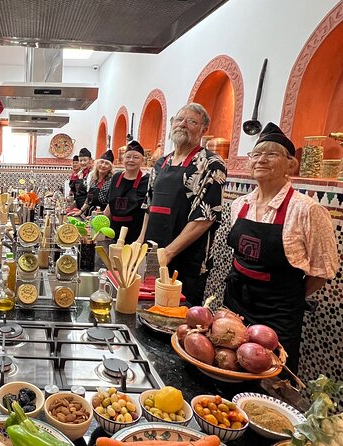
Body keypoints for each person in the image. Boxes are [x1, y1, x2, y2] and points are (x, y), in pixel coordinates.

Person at [223, 123, 338, 372]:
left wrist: (286, 296)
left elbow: (322, 271)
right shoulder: (239, 205)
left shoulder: (307, 210)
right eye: (256, 154)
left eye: (271, 154)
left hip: (277, 313)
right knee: (227, 366)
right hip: (235, 302)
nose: (261, 159)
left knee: (271, 376)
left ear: (290, 165)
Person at [141, 103, 227, 304]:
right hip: (154, 252)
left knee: (177, 316)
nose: (183, 125)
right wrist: (140, 242)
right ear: (172, 124)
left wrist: (169, 252)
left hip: (186, 258)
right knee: (146, 307)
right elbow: (149, 205)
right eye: (179, 120)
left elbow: (205, 217)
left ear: (203, 130)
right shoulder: (161, 163)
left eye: (192, 122)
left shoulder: (212, 163)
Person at [104, 141, 149, 243]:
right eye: (128, 157)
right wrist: (101, 225)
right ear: (123, 159)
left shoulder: (147, 181)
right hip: (113, 233)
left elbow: (148, 212)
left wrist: (141, 238)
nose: (131, 160)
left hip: (135, 235)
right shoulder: (116, 177)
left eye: (136, 157)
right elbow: (110, 205)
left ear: (143, 160)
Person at [78, 149, 115, 216]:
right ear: (97, 164)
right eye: (101, 162)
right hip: (90, 213)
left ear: (110, 167)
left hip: (103, 216)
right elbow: (88, 199)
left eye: (107, 164)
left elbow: (111, 203)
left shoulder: (111, 181)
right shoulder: (94, 179)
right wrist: (80, 211)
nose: (103, 165)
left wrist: (100, 216)